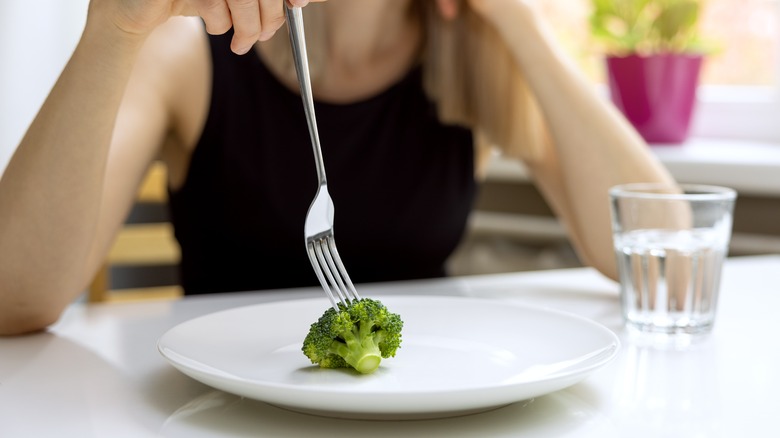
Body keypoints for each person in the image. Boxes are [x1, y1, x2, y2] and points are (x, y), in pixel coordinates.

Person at [0, 0, 674, 335]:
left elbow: (665, 257)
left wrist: (520, 23)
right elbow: (14, 298)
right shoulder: (188, 52)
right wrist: (114, 30)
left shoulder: (473, 59)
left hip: (430, 418)